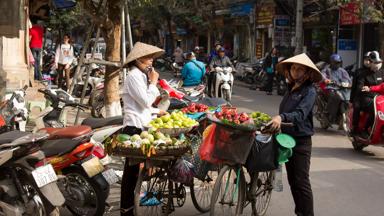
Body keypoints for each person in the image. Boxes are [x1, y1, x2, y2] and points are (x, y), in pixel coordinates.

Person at [269, 53, 322, 216]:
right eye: (293, 68)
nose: (296, 71)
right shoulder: (290, 89)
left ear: (307, 73)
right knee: (293, 181)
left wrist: (281, 117)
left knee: (301, 182)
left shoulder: (309, 91)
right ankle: (300, 212)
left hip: (300, 142)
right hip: (285, 140)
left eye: (300, 69)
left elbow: (300, 114)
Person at [120, 42, 164, 216]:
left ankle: (135, 202)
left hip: (143, 125)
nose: (151, 61)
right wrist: (154, 83)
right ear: (138, 59)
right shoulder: (133, 76)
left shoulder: (140, 75)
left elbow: (144, 106)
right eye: (148, 57)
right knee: (130, 173)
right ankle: (126, 208)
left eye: (152, 57)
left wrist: (156, 111)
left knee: (137, 171)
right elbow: (145, 101)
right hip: (134, 127)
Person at [353, 51, 384, 136]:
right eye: (375, 62)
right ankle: (365, 129)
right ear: (370, 62)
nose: (377, 64)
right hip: (367, 98)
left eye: (379, 62)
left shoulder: (382, 72)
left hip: (380, 98)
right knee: (374, 109)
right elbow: (359, 87)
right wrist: (366, 89)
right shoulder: (363, 74)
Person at [321, 54, 351, 125]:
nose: (337, 64)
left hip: (341, 89)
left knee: (347, 99)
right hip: (330, 88)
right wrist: (326, 80)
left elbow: (348, 80)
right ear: (331, 62)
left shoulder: (343, 71)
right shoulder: (327, 70)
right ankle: (327, 113)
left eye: (339, 62)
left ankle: (338, 115)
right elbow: (322, 75)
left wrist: (349, 84)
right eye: (336, 62)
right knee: (334, 97)